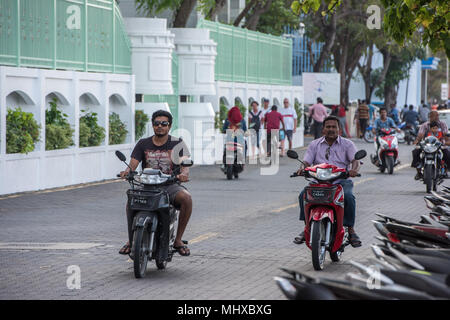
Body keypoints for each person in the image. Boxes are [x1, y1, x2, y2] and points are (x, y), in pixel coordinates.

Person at [119, 110, 193, 256]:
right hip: (146, 186)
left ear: (169, 126)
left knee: (187, 198)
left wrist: (184, 174)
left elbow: (185, 163)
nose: (160, 126)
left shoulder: (177, 143)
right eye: (156, 123)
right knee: (130, 202)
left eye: (164, 124)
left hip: (169, 185)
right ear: (152, 125)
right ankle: (131, 240)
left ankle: (178, 240)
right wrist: (127, 172)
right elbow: (132, 164)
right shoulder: (143, 143)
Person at [293, 116, 362, 247]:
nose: (331, 129)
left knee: (348, 197)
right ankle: (307, 227)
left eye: (334, 127)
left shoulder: (348, 144)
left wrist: (354, 170)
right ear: (323, 129)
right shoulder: (314, 144)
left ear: (339, 129)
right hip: (319, 181)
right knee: (303, 195)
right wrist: (302, 169)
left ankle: (351, 229)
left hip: (340, 181)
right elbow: (306, 161)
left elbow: (355, 160)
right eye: (328, 127)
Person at [411, 111, 450, 180]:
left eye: (437, 116)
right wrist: (417, 141)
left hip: (439, 146)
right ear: (430, 117)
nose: (436, 117)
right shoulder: (424, 125)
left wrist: (447, 141)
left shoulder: (442, 124)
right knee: (415, 152)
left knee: (447, 153)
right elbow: (420, 135)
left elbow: (446, 136)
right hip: (427, 146)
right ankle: (419, 172)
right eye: (434, 116)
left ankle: (445, 171)